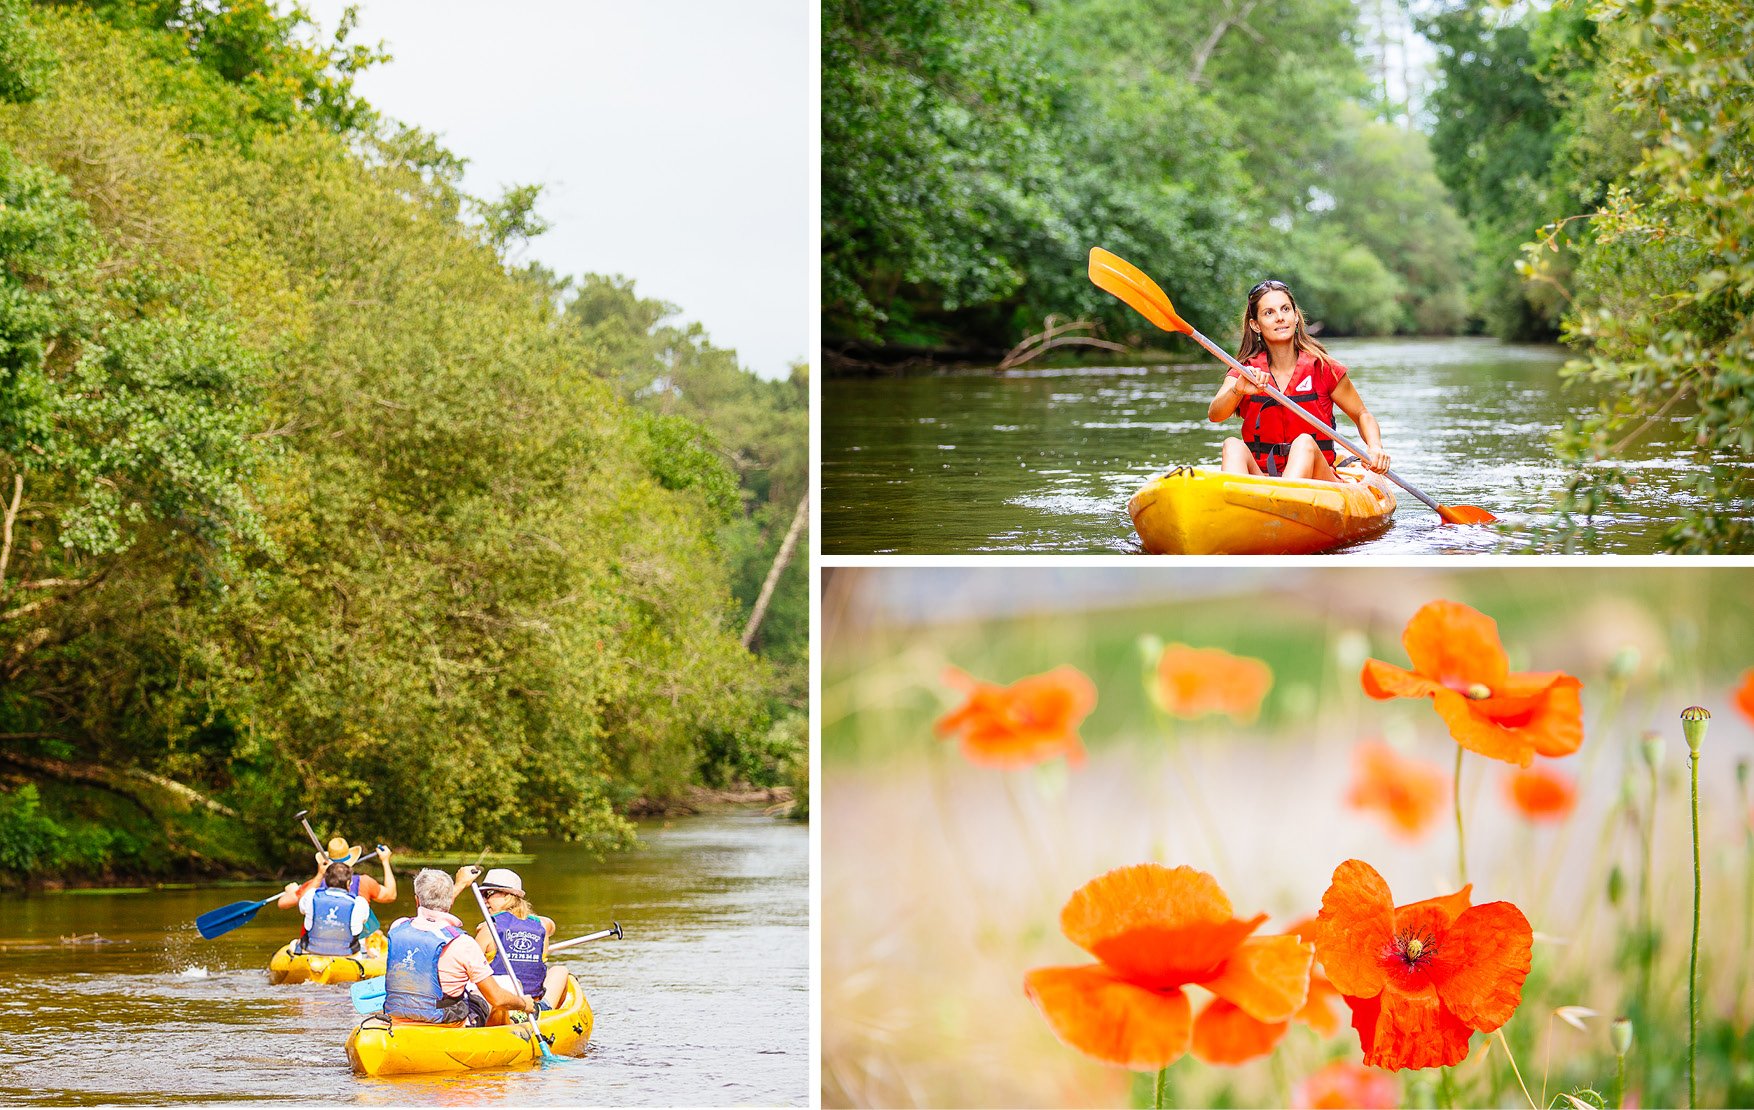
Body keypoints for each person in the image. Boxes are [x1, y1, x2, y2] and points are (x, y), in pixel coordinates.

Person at [1207, 278, 1390, 481]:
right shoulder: (1246, 371)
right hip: (1264, 479)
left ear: (1295, 316)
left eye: (1285, 309)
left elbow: (1361, 414)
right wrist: (1237, 391)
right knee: (1232, 445)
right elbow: (1215, 415)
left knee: (1303, 443)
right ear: (1255, 325)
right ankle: (1242, 502)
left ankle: (1282, 499)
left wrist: (1375, 447)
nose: (1279, 318)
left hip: (1318, 480)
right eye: (1269, 313)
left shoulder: (1323, 367)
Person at [380, 867, 537, 1028]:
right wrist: (523, 1003)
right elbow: (497, 998)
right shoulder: (463, 943)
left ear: (416, 900)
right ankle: (502, 1036)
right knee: (494, 1000)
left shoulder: (397, 927)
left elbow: (426, 917)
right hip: (446, 1023)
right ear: (449, 901)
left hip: (398, 1019)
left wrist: (460, 885)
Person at [473, 868, 571, 1011]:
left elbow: (468, 967)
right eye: (482, 895)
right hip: (531, 1005)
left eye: (488, 894)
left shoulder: (487, 929)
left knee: (560, 970)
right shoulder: (542, 925)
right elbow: (551, 925)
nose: (484, 900)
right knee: (560, 971)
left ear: (508, 895)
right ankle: (547, 1012)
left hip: (502, 1007)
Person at [277, 836, 397, 910]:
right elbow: (390, 895)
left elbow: (283, 903)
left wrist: (293, 891)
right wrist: (385, 861)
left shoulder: (314, 885)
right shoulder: (364, 882)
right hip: (353, 945)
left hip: (320, 944)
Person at [296, 861, 371, 956]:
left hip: (311, 951)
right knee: (364, 946)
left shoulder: (311, 895)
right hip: (347, 954)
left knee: (294, 944)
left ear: (326, 881)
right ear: (348, 883)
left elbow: (302, 908)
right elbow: (363, 921)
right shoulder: (359, 902)